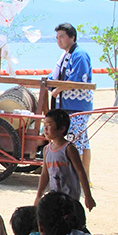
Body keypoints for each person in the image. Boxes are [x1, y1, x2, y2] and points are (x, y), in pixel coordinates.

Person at [47, 23, 94, 177]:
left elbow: (76, 79)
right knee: (83, 142)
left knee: (74, 143)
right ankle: (85, 176)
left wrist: (57, 90)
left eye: (62, 37)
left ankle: (76, 176)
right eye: (57, 37)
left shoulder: (79, 54)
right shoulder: (66, 55)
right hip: (68, 106)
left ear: (72, 37)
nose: (58, 40)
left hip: (77, 107)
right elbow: (55, 76)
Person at [35, 109, 96, 211]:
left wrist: (88, 196)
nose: (45, 128)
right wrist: (38, 196)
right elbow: (45, 174)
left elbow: (81, 172)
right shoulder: (47, 149)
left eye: (49, 125)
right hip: (54, 199)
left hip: (70, 199)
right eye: (44, 124)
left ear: (62, 129)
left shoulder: (69, 148)